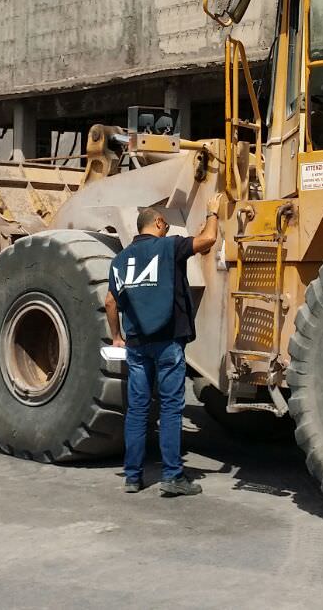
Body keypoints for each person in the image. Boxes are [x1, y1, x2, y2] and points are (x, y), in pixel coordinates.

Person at [104, 195, 220, 497]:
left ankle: (132, 477)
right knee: (170, 409)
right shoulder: (169, 247)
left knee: (138, 411)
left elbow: (110, 302)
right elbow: (208, 239)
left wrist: (116, 336)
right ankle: (172, 476)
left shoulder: (120, 260)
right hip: (168, 343)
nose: (167, 230)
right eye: (165, 225)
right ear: (157, 222)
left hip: (137, 346)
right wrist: (213, 211)